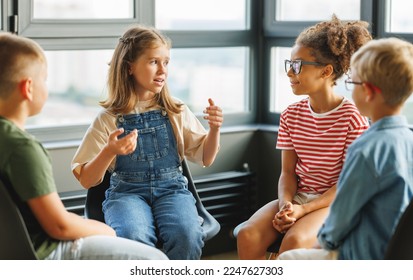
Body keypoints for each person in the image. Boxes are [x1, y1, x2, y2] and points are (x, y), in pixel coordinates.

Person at [0, 32, 168, 260]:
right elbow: (59, 227)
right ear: (28, 88)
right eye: (44, 79)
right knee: (155, 260)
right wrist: (106, 231)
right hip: (42, 252)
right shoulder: (21, 149)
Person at [71, 25, 223, 260]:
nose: (163, 70)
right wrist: (109, 151)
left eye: (166, 62)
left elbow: (206, 157)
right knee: (133, 237)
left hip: (172, 190)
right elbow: (87, 179)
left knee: (187, 235)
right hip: (126, 194)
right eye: (153, 61)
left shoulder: (175, 110)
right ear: (130, 67)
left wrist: (214, 130)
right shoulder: (108, 118)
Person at [237, 15, 371, 259]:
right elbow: (287, 173)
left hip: (334, 203)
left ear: (326, 71)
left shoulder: (353, 118)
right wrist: (285, 205)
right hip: (298, 198)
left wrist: (303, 210)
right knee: (248, 234)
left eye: (297, 65)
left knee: (295, 241)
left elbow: (346, 184)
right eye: (289, 64)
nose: (289, 72)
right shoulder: (290, 115)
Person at [278, 37, 413, 260]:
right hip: (399, 254)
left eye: (353, 83)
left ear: (368, 92)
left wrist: (322, 244)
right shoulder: (408, 139)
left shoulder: (366, 148)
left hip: (363, 254)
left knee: (288, 260)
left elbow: (342, 214)